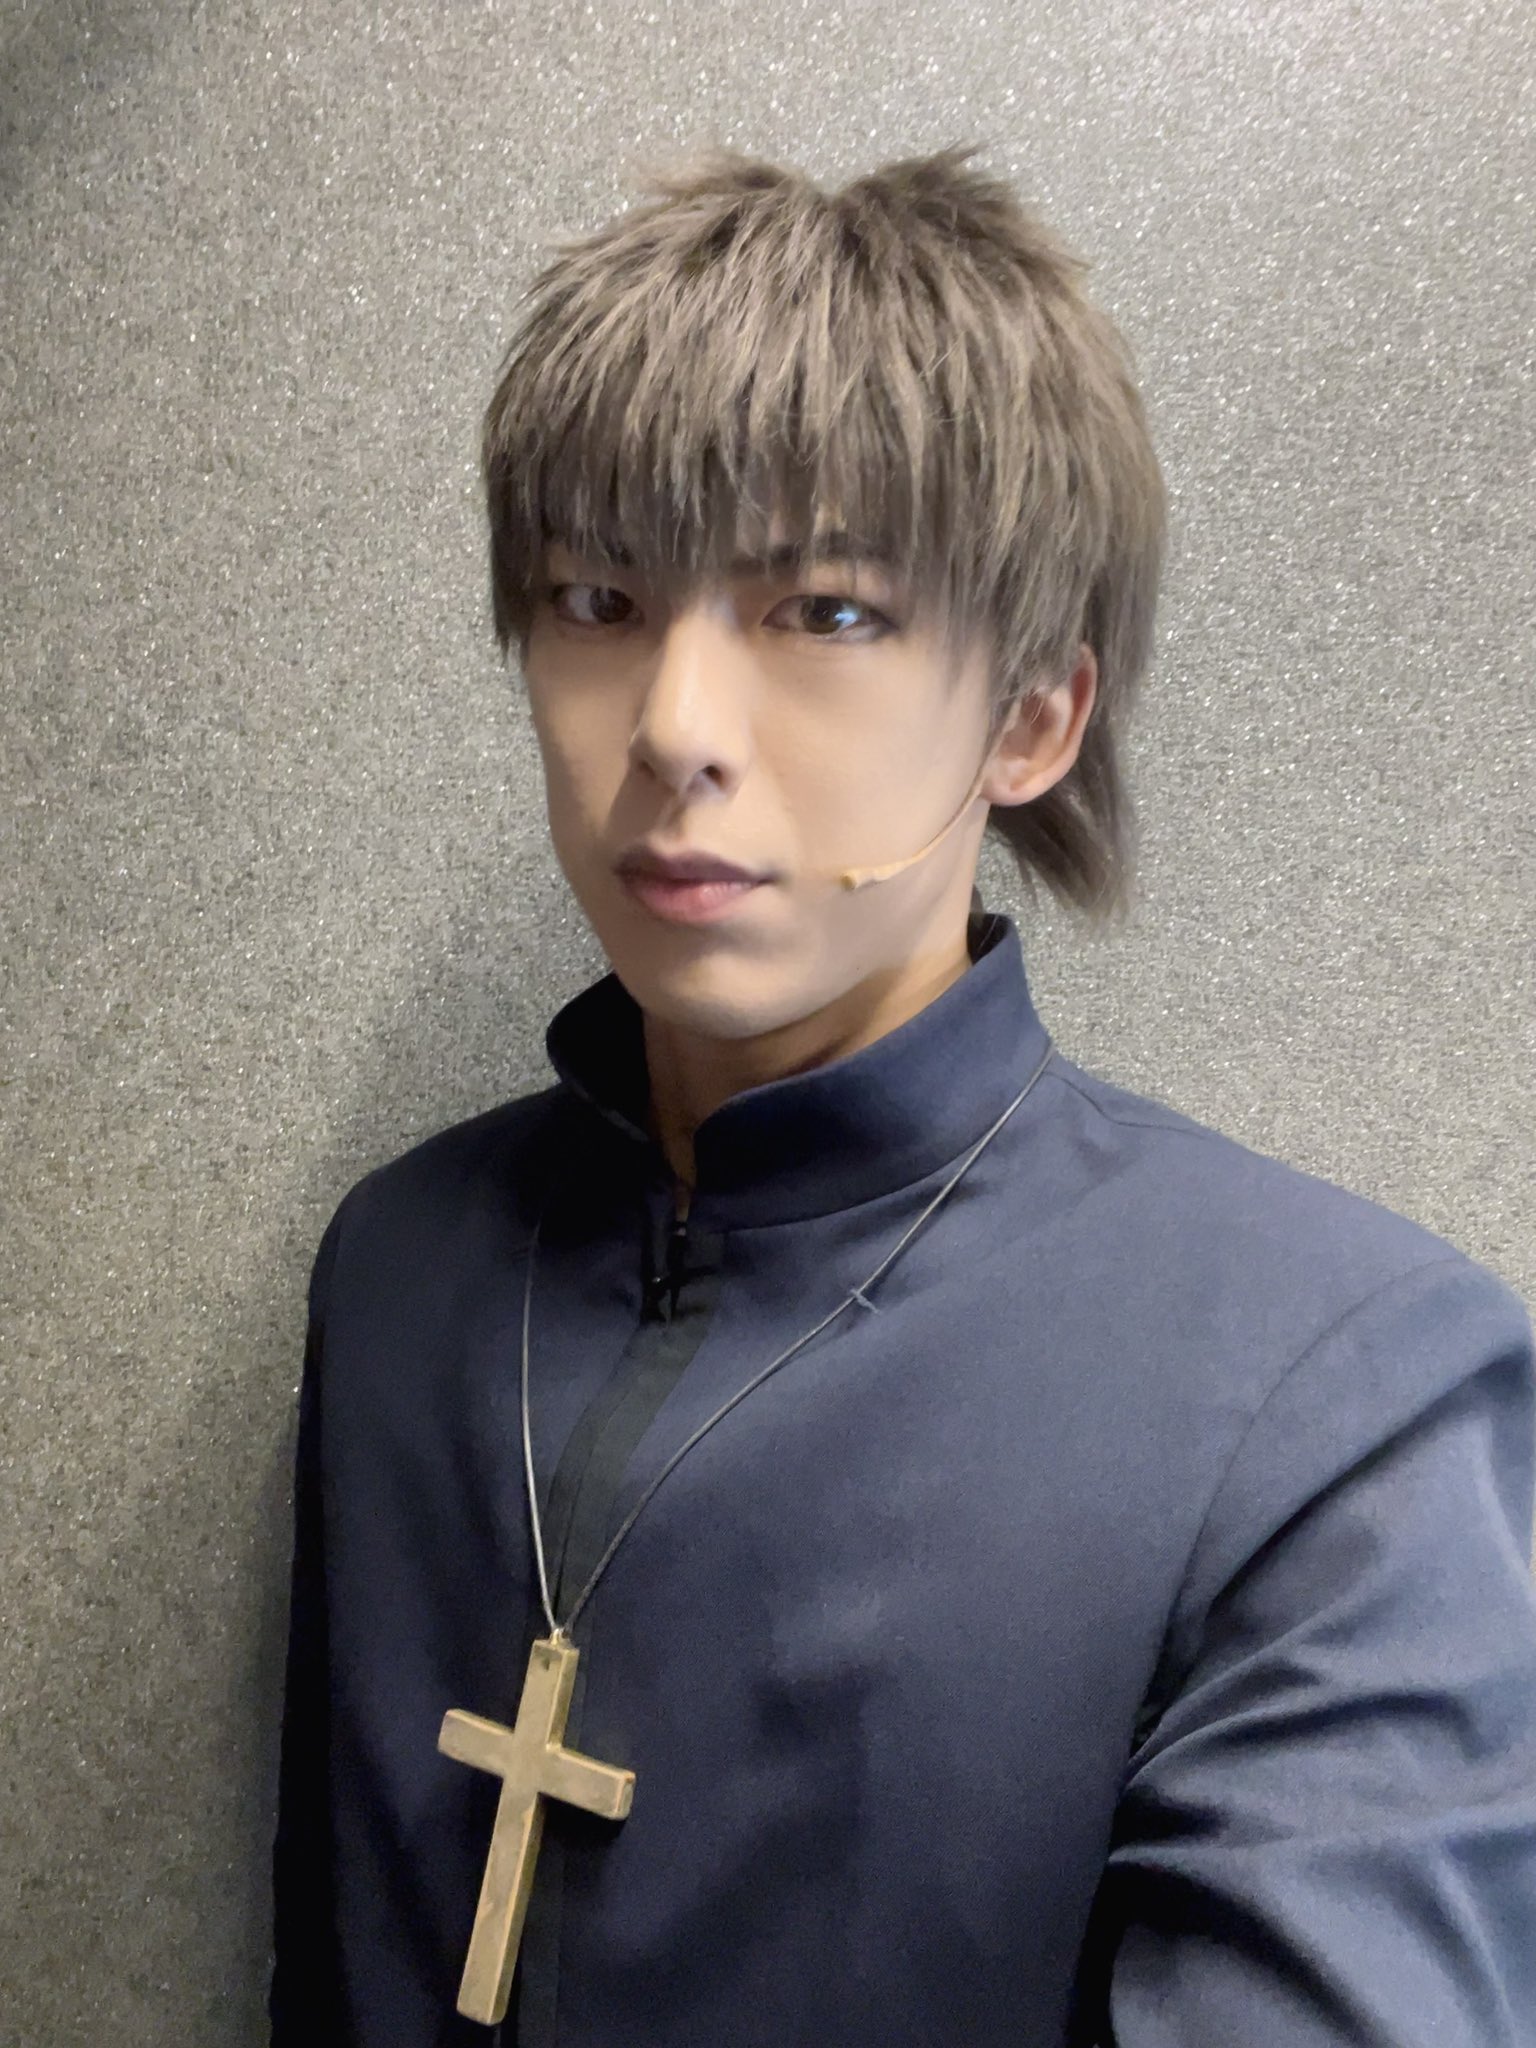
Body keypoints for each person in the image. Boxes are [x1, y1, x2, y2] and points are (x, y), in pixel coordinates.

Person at [268, 141, 1536, 2046]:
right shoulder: (408, 1268)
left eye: (829, 611)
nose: (676, 729)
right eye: (598, 595)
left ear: (1032, 716)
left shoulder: (1342, 1398)